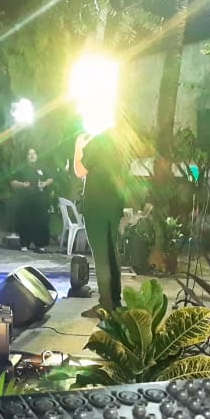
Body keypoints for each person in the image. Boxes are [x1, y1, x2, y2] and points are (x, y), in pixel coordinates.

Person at [75, 131, 128, 317]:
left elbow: (80, 171)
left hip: (97, 206)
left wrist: (78, 147)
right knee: (112, 252)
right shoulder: (120, 143)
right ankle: (116, 301)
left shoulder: (98, 142)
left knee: (101, 255)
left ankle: (106, 304)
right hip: (114, 205)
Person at [10, 148, 53, 252]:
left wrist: (45, 183)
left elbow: (50, 179)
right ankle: (24, 244)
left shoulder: (42, 167)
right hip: (25, 199)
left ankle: (40, 245)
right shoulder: (21, 168)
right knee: (25, 221)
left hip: (40, 199)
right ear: (26, 156)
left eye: (34, 153)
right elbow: (13, 182)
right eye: (30, 154)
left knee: (41, 221)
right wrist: (22, 184)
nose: (32, 156)